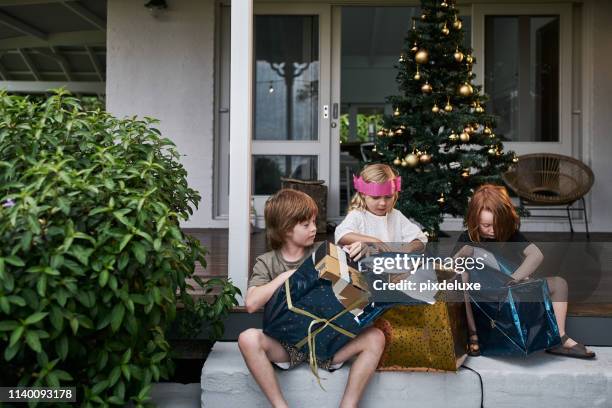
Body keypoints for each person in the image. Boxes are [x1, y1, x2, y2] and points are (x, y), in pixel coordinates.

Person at [238, 189, 386, 408]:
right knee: (247, 338)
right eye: (306, 225)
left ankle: (349, 404)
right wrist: (286, 276)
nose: (314, 228)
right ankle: (280, 406)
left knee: (375, 337)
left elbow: (357, 291)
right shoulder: (267, 262)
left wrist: (365, 251)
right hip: (287, 347)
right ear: (286, 229)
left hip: (329, 344)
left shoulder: (323, 252)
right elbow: (251, 304)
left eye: (314, 222)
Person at [454, 184, 595, 359]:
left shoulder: (510, 234)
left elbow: (536, 255)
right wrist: (463, 254)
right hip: (485, 301)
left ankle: (559, 338)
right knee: (461, 276)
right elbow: (451, 272)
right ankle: (473, 335)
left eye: (497, 224)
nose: (493, 230)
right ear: (475, 220)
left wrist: (516, 277)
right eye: (486, 225)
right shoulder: (466, 238)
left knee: (559, 284)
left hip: (512, 291)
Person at [335, 163, 427, 259]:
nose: (383, 203)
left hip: (393, 268)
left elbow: (420, 239)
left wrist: (407, 249)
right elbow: (341, 235)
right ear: (363, 194)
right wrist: (374, 241)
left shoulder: (396, 216)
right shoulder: (358, 215)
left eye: (388, 197)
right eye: (375, 197)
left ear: (394, 195)